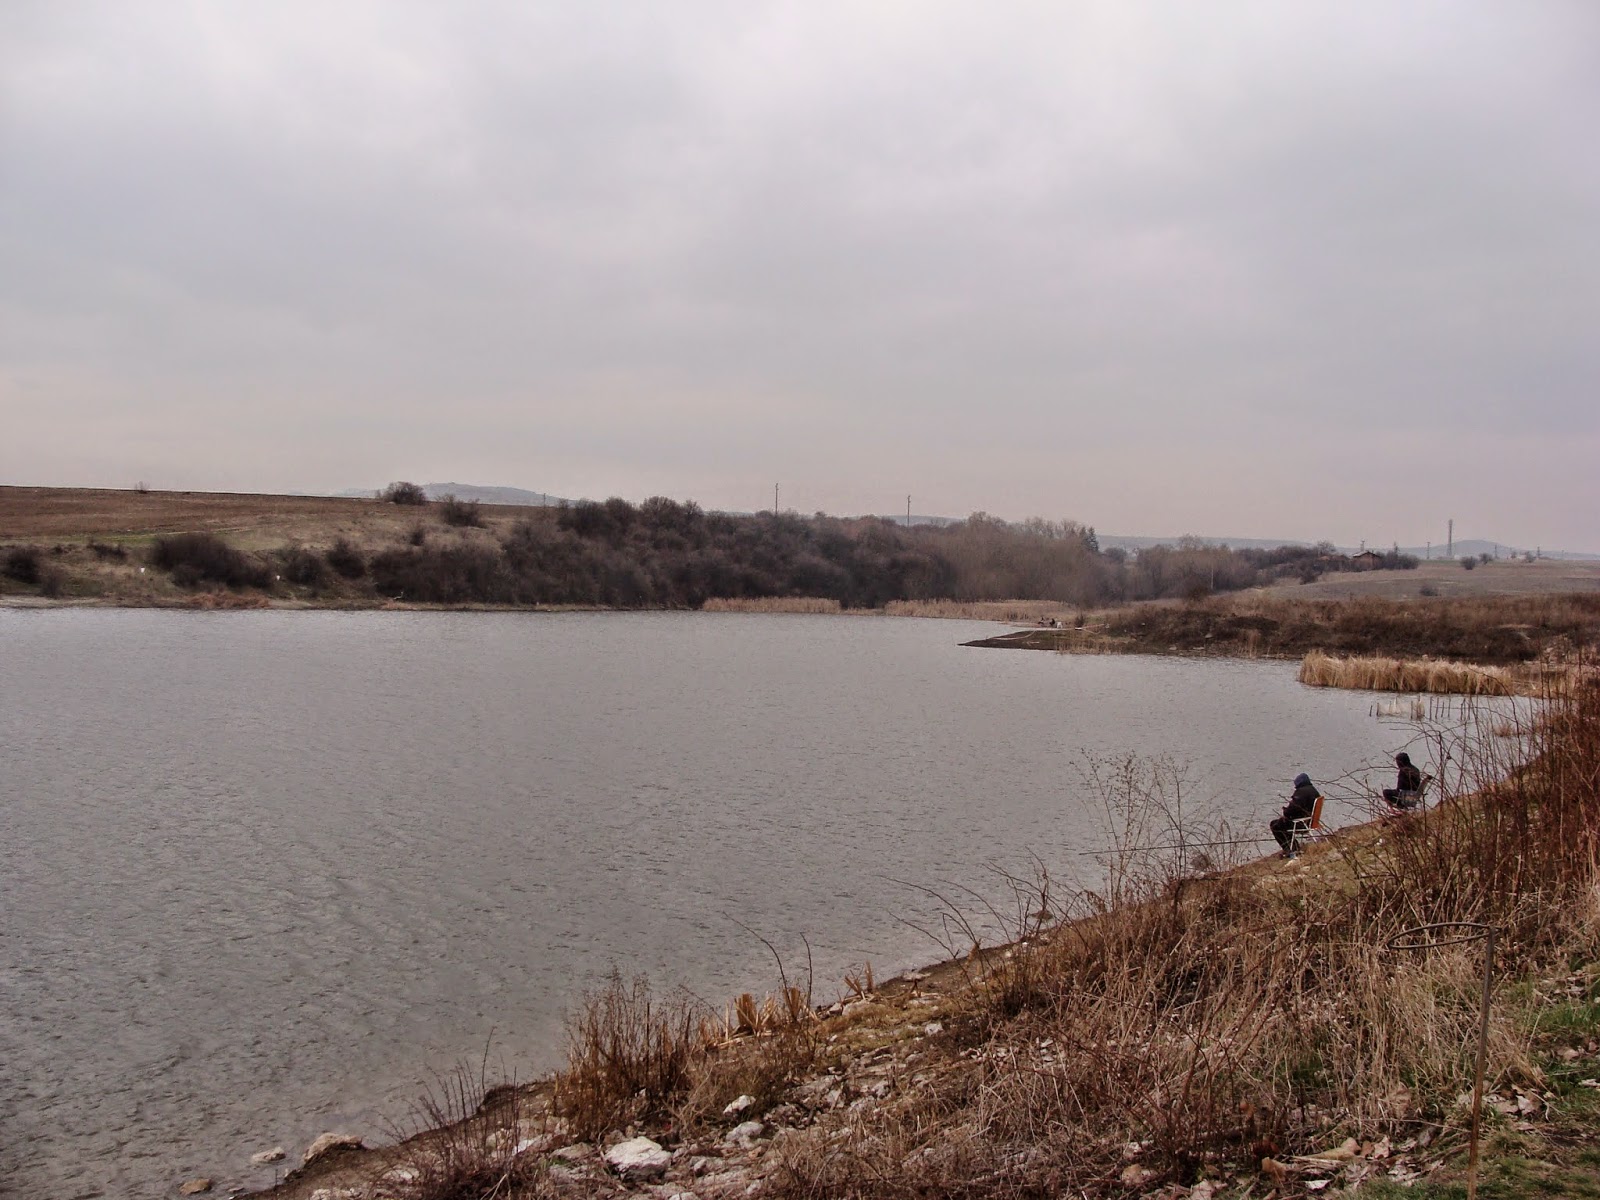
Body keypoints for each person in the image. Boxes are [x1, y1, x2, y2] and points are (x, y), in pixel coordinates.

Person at [1270, 772, 1321, 858]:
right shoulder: (1313, 790)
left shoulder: (1300, 793)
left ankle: (1290, 848)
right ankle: (1293, 846)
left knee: (1275, 825)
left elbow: (1292, 810)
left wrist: (1285, 811)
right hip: (1311, 821)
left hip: (1301, 823)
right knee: (1282, 823)